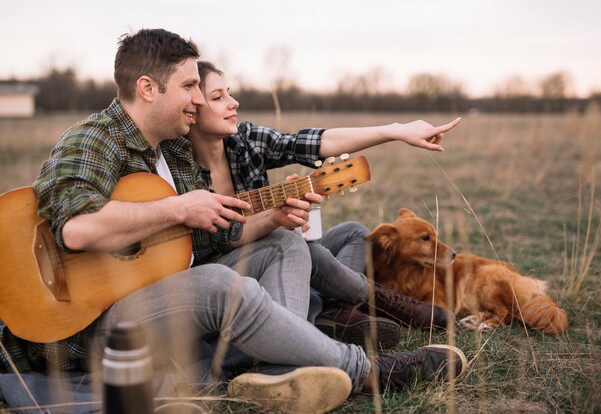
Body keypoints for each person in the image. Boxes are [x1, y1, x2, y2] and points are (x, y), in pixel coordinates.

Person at [0, 29, 467, 414]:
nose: (196, 99)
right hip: (86, 327)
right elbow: (76, 228)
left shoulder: (175, 150)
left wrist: (270, 218)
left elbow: (197, 242)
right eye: (188, 87)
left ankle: (283, 372)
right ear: (147, 88)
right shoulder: (94, 139)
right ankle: (364, 369)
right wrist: (179, 208)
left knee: (285, 245)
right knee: (223, 284)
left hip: (149, 300)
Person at [185, 61, 457, 348]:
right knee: (293, 244)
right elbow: (214, 243)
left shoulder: (245, 141)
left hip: (272, 249)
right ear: (191, 109)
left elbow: (311, 142)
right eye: (218, 98)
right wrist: (274, 221)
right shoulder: (176, 165)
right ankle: (376, 303)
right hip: (226, 272)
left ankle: (330, 310)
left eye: (229, 93)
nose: (233, 102)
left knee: (355, 233)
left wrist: (394, 131)